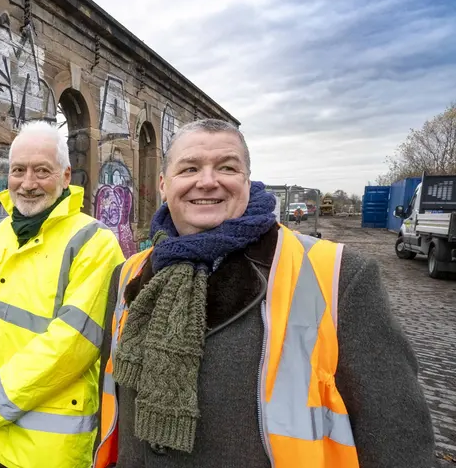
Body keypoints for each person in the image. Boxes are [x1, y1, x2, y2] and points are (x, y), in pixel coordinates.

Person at [94, 119, 435, 468]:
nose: (208, 181)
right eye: (190, 168)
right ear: (164, 185)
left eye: (226, 167)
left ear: (246, 180)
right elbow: (111, 404)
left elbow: (396, 434)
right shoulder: (130, 274)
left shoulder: (337, 274)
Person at [0, 121, 125, 468]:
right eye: (18, 170)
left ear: (66, 177)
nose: (28, 183)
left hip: (49, 449)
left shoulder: (94, 243)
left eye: (41, 171)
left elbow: (72, 344)